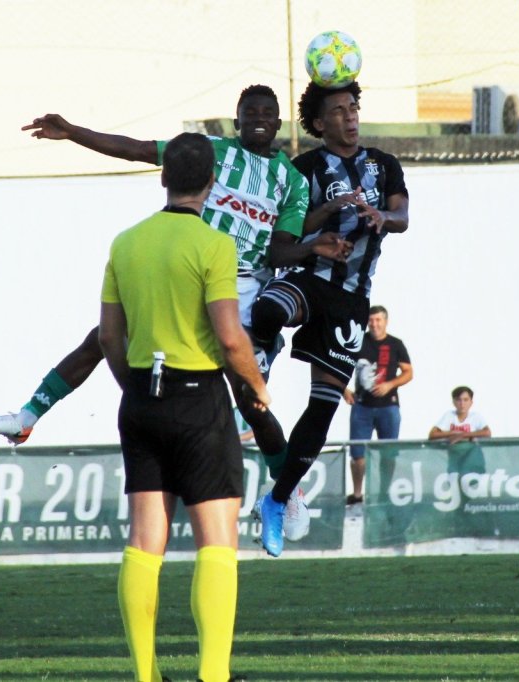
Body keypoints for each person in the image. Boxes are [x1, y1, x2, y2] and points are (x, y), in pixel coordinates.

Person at [0, 85, 349, 474]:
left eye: (266, 113)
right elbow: (137, 149)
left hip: (241, 287)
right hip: (187, 273)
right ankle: (26, 417)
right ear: (237, 121)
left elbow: (279, 250)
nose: (258, 118)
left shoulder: (291, 181)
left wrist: (311, 249)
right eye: (249, 113)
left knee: (251, 404)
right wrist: (73, 132)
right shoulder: (210, 151)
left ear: (277, 123)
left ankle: (285, 491)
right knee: (101, 338)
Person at [99, 132, 268, 682]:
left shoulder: (125, 242)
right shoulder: (215, 245)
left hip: (141, 399)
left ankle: (145, 676)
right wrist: (257, 387)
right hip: (199, 399)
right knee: (218, 539)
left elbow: (108, 337)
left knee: (145, 540)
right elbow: (230, 337)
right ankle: (213, 675)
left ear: (163, 177)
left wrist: (136, 385)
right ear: (214, 184)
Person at [250, 80, 409, 557]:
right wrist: (331, 211)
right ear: (319, 124)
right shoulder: (305, 168)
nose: (351, 116)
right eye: (339, 110)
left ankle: (277, 500)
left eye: (354, 107)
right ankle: (261, 357)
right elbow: (290, 229)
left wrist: (381, 216)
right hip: (307, 275)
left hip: (350, 299)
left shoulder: (384, 164)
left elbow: (403, 216)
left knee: (323, 407)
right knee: (267, 309)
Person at [342, 305, 413, 505]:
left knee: (387, 454)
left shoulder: (395, 344)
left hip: (388, 407)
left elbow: (408, 372)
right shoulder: (358, 341)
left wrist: (390, 384)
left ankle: (383, 494)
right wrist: (343, 390)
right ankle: (357, 495)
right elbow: (339, 364)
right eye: (371, 320)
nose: (374, 324)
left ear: (385, 321)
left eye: (378, 320)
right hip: (362, 406)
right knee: (357, 455)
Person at [428, 386, 491, 475]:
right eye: (458, 400)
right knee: (454, 483)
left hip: (471, 458)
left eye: (465, 400)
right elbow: (432, 434)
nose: (462, 404)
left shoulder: (476, 416)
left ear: (471, 402)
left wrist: (463, 435)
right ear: (453, 402)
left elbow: (487, 432)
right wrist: (453, 433)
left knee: (471, 483)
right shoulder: (449, 415)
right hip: (454, 457)